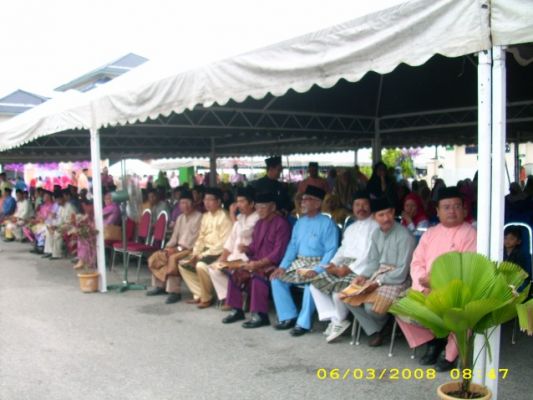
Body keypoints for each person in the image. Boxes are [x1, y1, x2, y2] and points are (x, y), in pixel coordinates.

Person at [396, 186, 477, 371]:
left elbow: (469, 267)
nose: (452, 211)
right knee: (399, 306)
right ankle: (434, 341)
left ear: (464, 210)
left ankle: (450, 354)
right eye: (446, 207)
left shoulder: (470, 234)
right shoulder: (430, 233)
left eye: (456, 206)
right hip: (425, 287)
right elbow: (417, 262)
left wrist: (438, 283)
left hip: (456, 291)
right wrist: (422, 285)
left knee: (460, 312)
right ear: (438, 211)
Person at [340, 198, 416, 347]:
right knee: (348, 297)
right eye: (381, 215)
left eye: (389, 213)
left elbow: (402, 271)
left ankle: (383, 324)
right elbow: (373, 261)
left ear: (393, 212)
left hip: (398, 280)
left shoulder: (405, 236)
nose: (386, 218)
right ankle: (376, 329)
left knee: (370, 308)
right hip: (378, 275)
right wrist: (363, 276)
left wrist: (378, 282)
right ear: (374, 217)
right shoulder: (376, 234)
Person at [310, 190, 378, 342]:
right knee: (314, 285)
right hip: (343, 264)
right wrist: (333, 263)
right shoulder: (350, 228)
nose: (361, 208)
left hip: (361, 267)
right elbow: (343, 249)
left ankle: (339, 321)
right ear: (353, 207)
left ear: (370, 206)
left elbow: (369, 255)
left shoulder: (375, 227)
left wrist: (348, 269)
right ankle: (335, 319)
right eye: (357, 205)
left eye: (364, 205)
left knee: (338, 292)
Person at [270, 185, 339, 336]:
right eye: (302, 199)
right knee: (276, 278)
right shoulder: (299, 223)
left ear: (318, 203)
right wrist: (282, 266)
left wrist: (318, 270)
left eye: (307, 199)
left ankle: (303, 323)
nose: (302, 202)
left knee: (311, 285)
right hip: (300, 262)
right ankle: (288, 316)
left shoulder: (328, 223)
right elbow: (292, 247)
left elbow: (331, 251)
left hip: (319, 263)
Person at [223, 192, 291, 328]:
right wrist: (247, 249)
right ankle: (236, 310)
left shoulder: (281, 224)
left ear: (273, 207)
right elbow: (255, 246)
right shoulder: (259, 223)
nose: (259, 210)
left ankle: (260, 315)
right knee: (235, 272)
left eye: (263, 207)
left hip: (274, 264)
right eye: (258, 207)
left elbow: (279, 252)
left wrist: (258, 264)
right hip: (257, 261)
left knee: (257, 275)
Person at [179, 187, 233, 308]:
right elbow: (201, 238)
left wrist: (202, 255)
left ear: (218, 201)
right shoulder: (205, 216)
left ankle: (207, 297)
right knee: (183, 264)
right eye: (205, 200)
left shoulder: (225, 217)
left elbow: (223, 243)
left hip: (218, 252)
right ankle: (199, 294)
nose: (207, 202)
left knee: (201, 265)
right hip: (204, 251)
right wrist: (195, 253)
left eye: (210, 200)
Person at [146, 190, 203, 304]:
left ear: (192, 203)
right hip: (178, 248)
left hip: (191, 250)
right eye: (182, 203)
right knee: (158, 255)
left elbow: (194, 240)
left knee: (173, 258)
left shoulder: (199, 217)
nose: (184, 205)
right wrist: (167, 248)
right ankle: (160, 286)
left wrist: (177, 249)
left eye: (187, 203)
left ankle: (174, 292)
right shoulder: (180, 218)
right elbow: (174, 237)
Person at [207, 187, 260, 308]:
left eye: (242, 201)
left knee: (231, 269)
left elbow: (245, 232)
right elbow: (231, 240)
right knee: (214, 268)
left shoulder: (257, 217)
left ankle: (235, 299)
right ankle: (230, 298)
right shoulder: (240, 217)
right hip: (234, 257)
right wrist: (223, 256)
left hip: (247, 258)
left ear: (252, 203)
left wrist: (232, 214)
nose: (238, 205)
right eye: (237, 201)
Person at [42, 189, 77, 260]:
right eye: (56, 200)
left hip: (70, 226)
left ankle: (57, 254)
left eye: (58, 200)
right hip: (61, 225)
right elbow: (58, 219)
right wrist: (53, 225)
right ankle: (50, 252)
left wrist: (57, 226)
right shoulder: (60, 208)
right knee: (49, 232)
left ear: (63, 198)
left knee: (57, 233)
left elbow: (71, 221)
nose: (57, 202)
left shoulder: (70, 207)